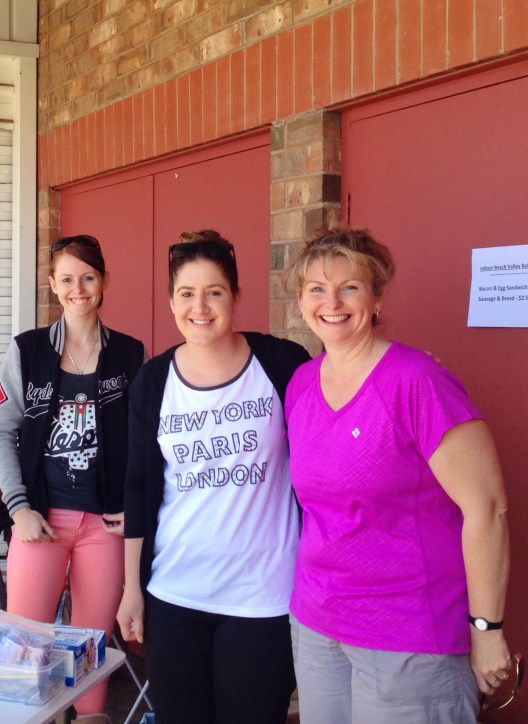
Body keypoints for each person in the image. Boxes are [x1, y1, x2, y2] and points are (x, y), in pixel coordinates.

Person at [284, 227, 512, 723]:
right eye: (317, 289)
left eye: (350, 287)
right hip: (318, 623)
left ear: (377, 296)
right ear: (301, 300)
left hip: (409, 634)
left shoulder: (417, 381)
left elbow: (487, 508)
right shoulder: (301, 383)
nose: (332, 302)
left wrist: (486, 627)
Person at [117, 230, 310, 723]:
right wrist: (131, 589)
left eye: (214, 292)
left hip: (264, 600)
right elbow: (138, 489)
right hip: (175, 593)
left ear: (236, 296)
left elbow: (339, 406)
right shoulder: (154, 381)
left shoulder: (282, 365)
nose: (199, 306)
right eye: (186, 293)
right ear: (170, 300)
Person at [0, 234, 147, 722]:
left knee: (89, 654)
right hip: (41, 521)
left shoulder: (130, 354)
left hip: (105, 527)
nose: (79, 288)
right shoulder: (28, 351)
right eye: (67, 279)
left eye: (89, 277)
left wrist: (132, 507)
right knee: (20, 652)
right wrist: (18, 508)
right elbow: (0, 431)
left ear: (103, 282)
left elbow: (144, 441)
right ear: (54, 286)